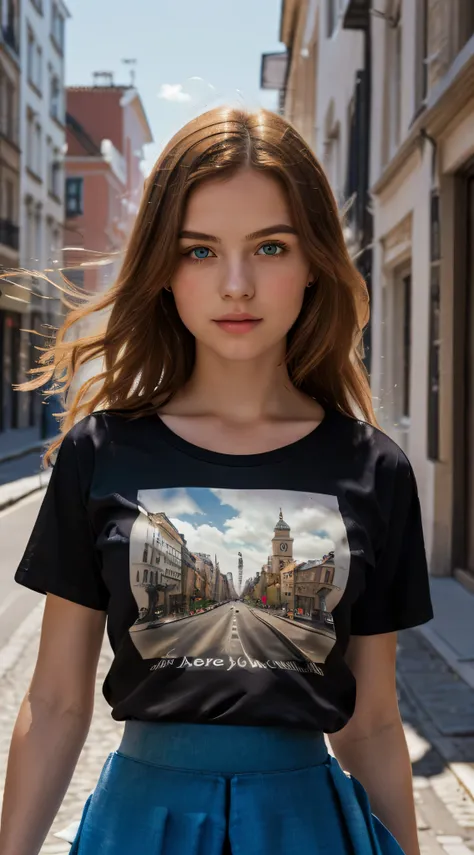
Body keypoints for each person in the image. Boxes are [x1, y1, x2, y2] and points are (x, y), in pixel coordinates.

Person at [0, 106, 433, 855]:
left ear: (314, 264)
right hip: (141, 827)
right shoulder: (100, 451)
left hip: (308, 830)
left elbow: (373, 720)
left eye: (270, 246)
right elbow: (57, 701)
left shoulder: (375, 469)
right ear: (164, 269)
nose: (237, 284)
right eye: (200, 251)